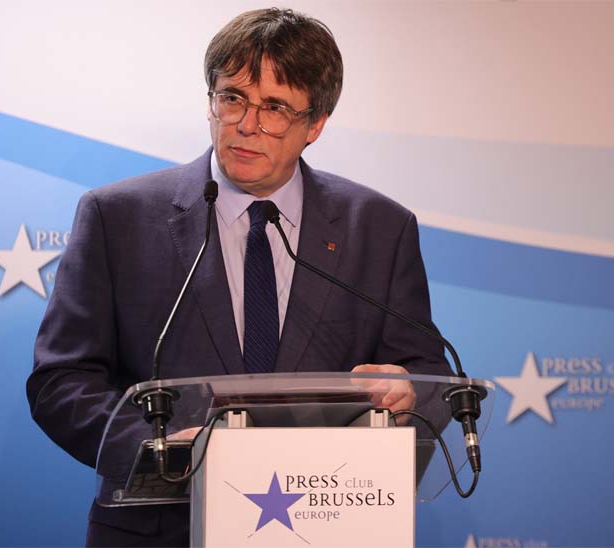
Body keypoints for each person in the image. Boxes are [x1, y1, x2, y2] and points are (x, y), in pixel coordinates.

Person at [27, 7, 451, 547]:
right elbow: (61, 380)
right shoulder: (117, 217)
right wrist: (154, 449)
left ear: (315, 124)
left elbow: (426, 375)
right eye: (232, 98)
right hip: (162, 530)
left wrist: (407, 393)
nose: (247, 125)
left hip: (328, 524)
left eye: (274, 107)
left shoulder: (380, 228)